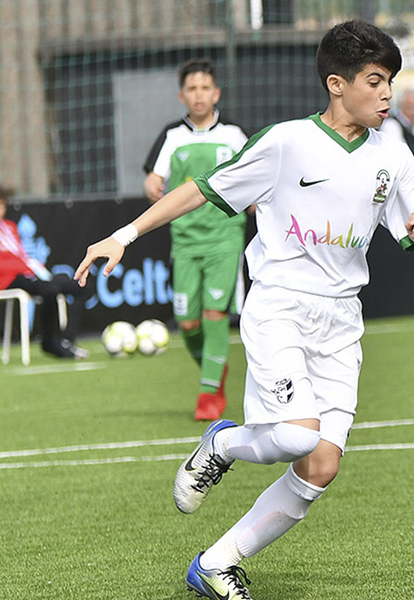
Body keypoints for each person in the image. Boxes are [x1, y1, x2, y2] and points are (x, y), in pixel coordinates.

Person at [74, 20, 414, 600]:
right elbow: (202, 188)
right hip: (280, 307)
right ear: (336, 83)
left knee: (321, 466)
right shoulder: (286, 142)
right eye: (375, 81)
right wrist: (124, 234)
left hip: (342, 322)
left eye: (390, 82)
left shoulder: (394, 157)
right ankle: (222, 443)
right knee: (300, 437)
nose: (386, 94)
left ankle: (216, 564)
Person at [142, 58, 250, 421]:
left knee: (214, 313)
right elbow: (153, 179)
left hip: (224, 237)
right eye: (192, 89)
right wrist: (152, 185)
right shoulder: (172, 136)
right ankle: (214, 370)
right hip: (185, 241)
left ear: (216, 93)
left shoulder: (234, 134)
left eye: (205, 87)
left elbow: (252, 178)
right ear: (181, 96)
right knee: (187, 323)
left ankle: (208, 394)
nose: (199, 94)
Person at [0, 182, 92, 359]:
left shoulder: (9, 226)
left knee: (80, 287)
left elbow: (20, 255)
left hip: (29, 274)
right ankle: (49, 342)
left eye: (1, 205)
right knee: (49, 290)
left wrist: (33, 267)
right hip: (7, 279)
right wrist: (25, 267)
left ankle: (66, 339)